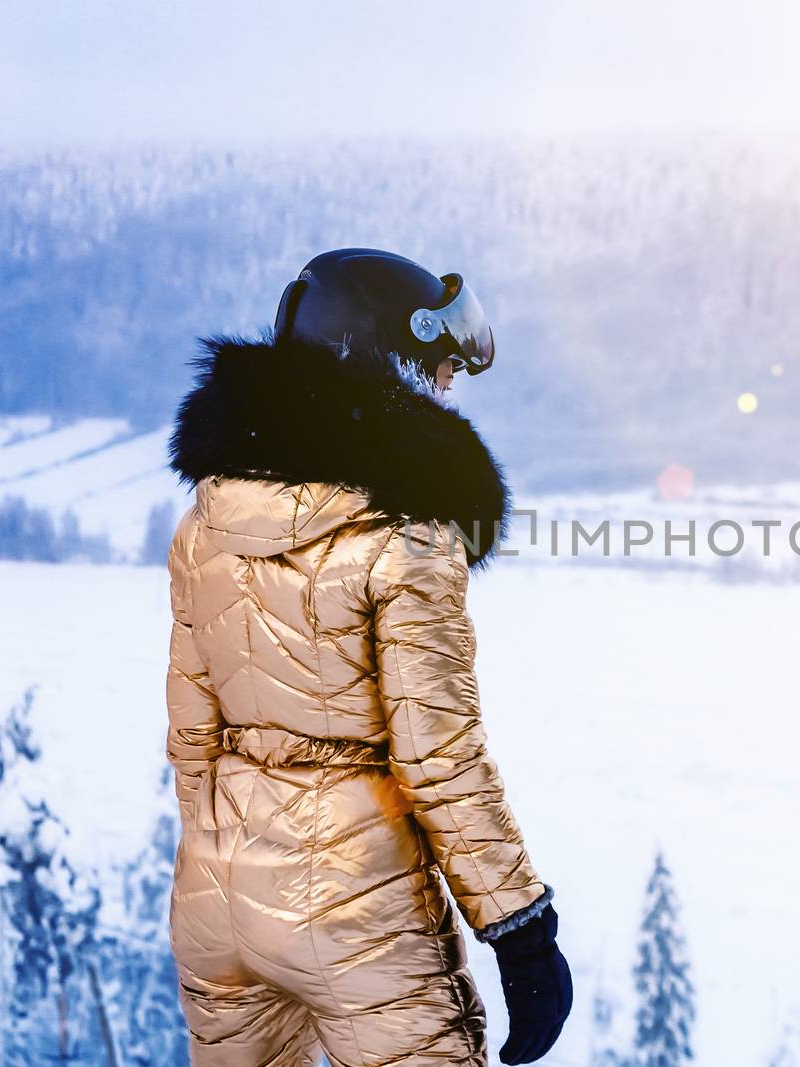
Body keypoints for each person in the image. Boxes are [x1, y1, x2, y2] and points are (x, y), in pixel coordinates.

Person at [164, 248, 571, 1066]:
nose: (449, 391)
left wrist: (235, 870)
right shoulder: (408, 536)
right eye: (441, 371)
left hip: (217, 905)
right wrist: (520, 930)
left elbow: (191, 735)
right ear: (390, 365)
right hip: (360, 908)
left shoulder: (208, 520)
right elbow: (440, 755)